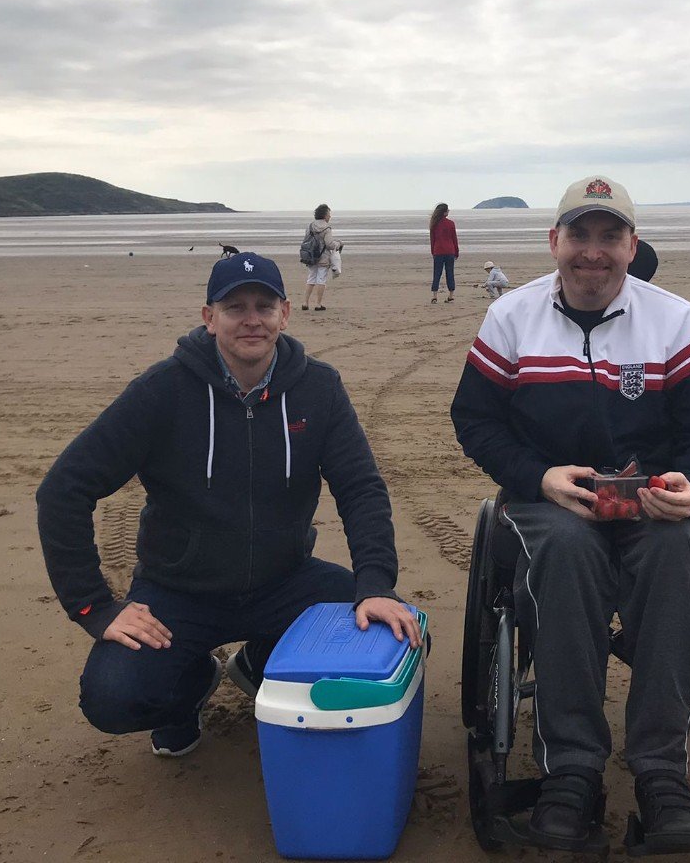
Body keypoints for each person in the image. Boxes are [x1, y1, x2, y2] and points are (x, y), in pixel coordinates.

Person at [37, 252, 420, 759]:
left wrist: (375, 584)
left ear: (285, 313)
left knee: (397, 641)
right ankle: (192, 685)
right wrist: (96, 606)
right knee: (112, 699)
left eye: (264, 305)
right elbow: (63, 489)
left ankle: (261, 663)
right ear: (209, 317)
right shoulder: (162, 391)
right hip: (179, 592)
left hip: (286, 582)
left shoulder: (318, 388)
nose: (251, 319)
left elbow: (360, 488)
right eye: (235, 307)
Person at [451, 175, 690, 853]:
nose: (593, 251)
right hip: (552, 498)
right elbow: (475, 418)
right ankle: (571, 770)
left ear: (632, 247)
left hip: (653, 499)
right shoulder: (511, 318)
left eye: (610, 236)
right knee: (568, 551)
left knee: (675, 553)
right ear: (555, 242)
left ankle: (661, 773)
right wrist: (535, 477)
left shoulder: (672, 319)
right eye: (580, 235)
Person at [302, 204, 339, 311]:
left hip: (311, 256)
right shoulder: (326, 228)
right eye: (328, 214)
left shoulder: (310, 226)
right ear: (324, 215)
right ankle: (318, 304)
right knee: (321, 280)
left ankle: (305, 303)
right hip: (323, 257)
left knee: (311, 279)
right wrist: (338, 243)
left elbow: (306, 240)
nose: (330, 216)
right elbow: (329, 244)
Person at [429, 202, 459, 304]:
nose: (449, 211)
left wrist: (433, 251)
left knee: (437, 273)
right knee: (450, 273)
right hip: (450, 251)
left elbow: (432, 240)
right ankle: (451, 295)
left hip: (438, 251)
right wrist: (456, 252)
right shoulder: (451, 223)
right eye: (447, 210)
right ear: (444, 212)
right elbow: (454, 239)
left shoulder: (434, 223)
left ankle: (434, 295)